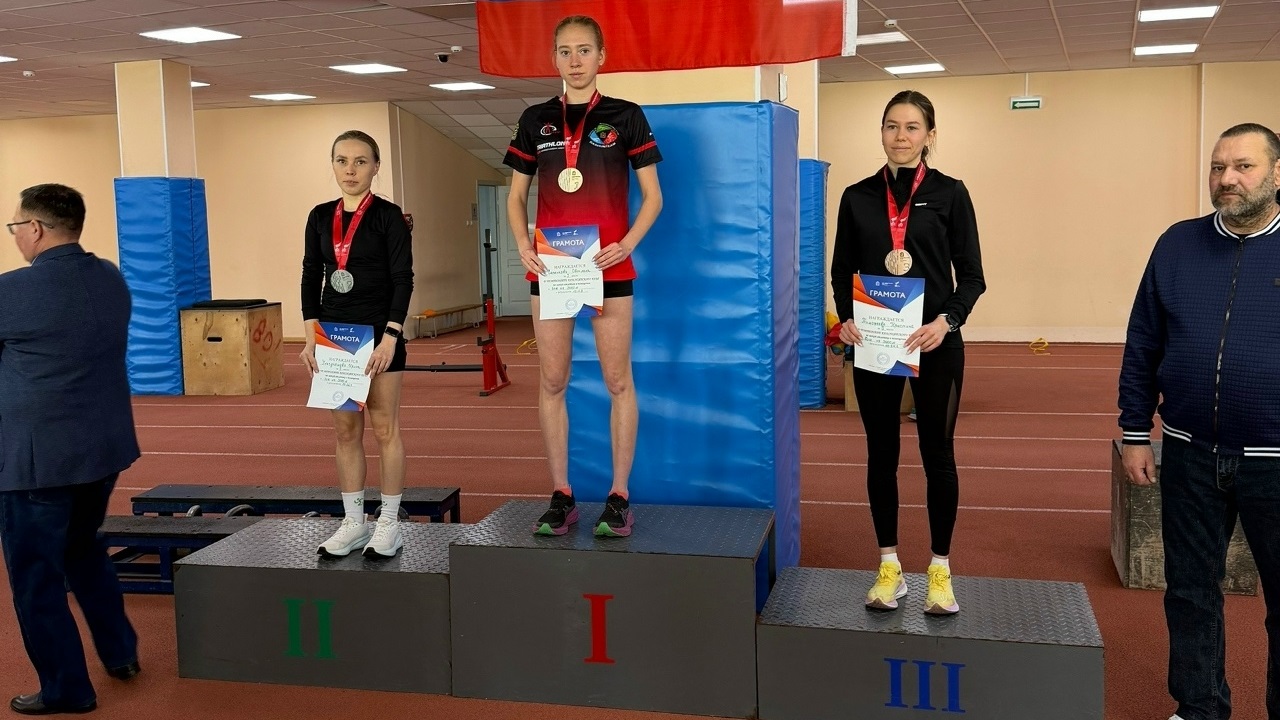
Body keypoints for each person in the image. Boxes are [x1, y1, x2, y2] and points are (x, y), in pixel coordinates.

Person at [1119, 122, 1280, 720]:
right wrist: (1136, 431)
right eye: (1218, 167)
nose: (1227, 178)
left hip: (1275, 462)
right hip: (1189, 454)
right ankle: (1199, 708)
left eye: (1243, 166)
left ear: (1277, 174)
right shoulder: (1177, 244)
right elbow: (1143, 341)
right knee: (1189, 594)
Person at [504, 15, 663, 538]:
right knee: (552, 381)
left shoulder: (626, 115)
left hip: (606, 266)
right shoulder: (535, 119)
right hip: (553, 267)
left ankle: (618, 496)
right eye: (565, 51)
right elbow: (516, 197)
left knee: (618, 381)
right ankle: (561, 494)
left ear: (602, 56)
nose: (575, 61)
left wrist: (627, 244)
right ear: (554, 58)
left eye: (584, 50)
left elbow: (653, 197)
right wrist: (523, 244)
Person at [829, 90, 985, 615]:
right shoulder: (857, 196)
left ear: (929, 136)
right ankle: (889, 567)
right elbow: (841, 271)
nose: (901, 136)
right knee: (882, 455)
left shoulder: (950, 193)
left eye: (912, 127)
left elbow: (973, 277)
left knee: (938, 456)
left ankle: (940, 571)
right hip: (876, 341)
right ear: (881, 132)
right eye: (892, 126)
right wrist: (847, 317)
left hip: (935, 342)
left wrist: (947, 321)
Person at [0, 184, 141, 715]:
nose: (16, 236)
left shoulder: (12, 291)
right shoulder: (109, 277)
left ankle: (66, 689)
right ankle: (120, 653)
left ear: (35, 229)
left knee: (36, 578)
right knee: (83, 552)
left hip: (38, 463)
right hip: (102, 451)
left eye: (16, 227)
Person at [301, 130, 414, 558]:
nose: (350, 170)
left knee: (385, 429)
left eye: (360, 161)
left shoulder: (389, 217)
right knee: (346, 431)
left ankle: (389, 524)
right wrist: (312, 336)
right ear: (333, 165)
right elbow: (311, 274)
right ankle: (354, 523)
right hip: (337, 338)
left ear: (376, 167)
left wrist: (391, 337)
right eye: (342, 161)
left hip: (380, 335)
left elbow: (403, 279)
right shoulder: (319, 216)